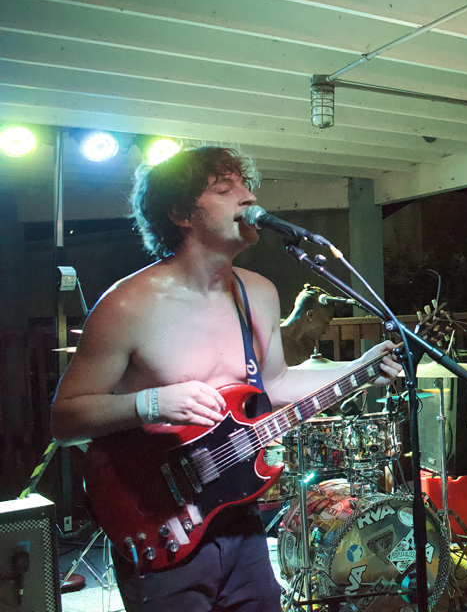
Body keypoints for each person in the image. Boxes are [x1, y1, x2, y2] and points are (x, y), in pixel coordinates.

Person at [50, 146, 401, 611]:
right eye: (224, 188)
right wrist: (150, 403)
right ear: (180, 213)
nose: (246, 196)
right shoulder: (127, 305)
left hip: (238, 517)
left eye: (244, 184)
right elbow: (64, 420)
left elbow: (274, 386)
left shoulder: (258, 293)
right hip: (156, 518)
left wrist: (360, 371)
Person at [280, 283, 337, 366]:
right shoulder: (270, 340)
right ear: (310, 315)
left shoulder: (308, 345)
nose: (326, 330)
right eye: (325, 322)